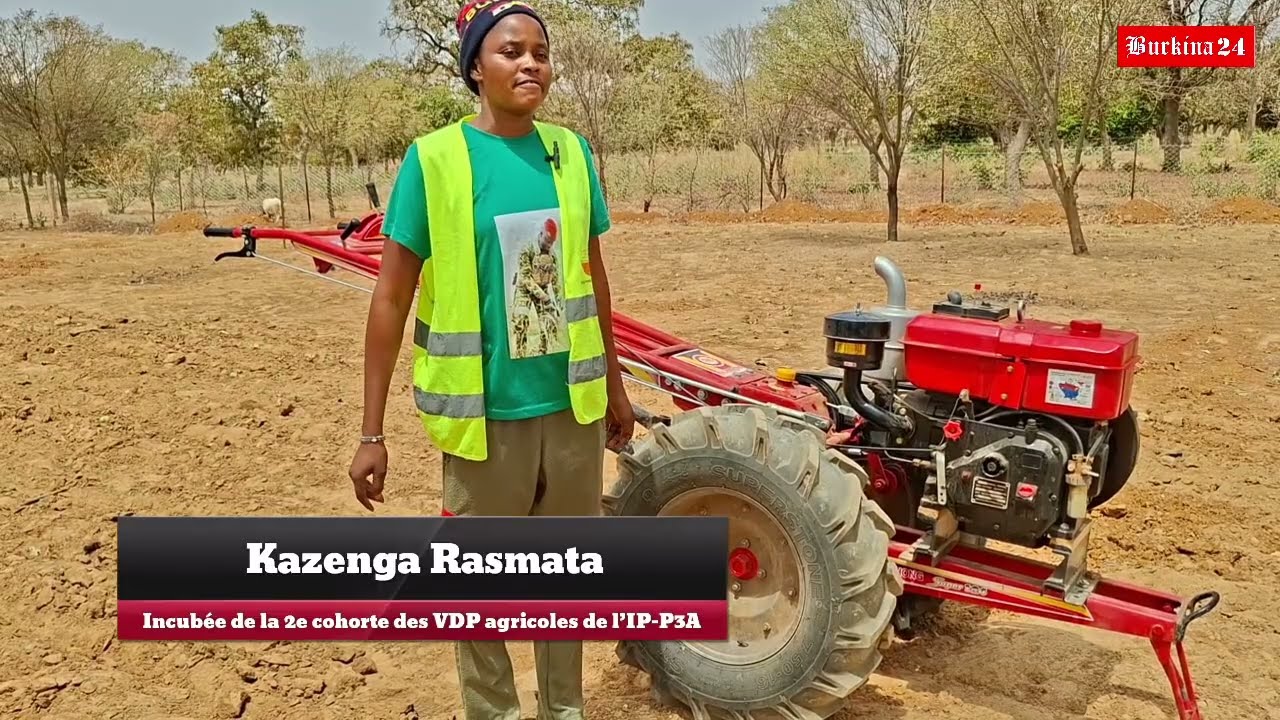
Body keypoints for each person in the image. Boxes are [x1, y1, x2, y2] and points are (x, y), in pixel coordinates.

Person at [346, 0, 635, 718]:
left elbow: (592, 279)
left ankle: (562, 711)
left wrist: (618, 391)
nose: (530, 63)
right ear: (475, 66)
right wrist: (371, 432)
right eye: (510, 51)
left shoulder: (569, 154)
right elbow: (390, 300)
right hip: (484, 424)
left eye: (540, 50)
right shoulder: (435, 160)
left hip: (569, 412)